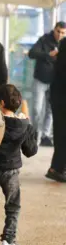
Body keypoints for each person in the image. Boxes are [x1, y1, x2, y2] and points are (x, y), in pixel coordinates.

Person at [0, 84, 38, 245]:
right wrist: (29, 126)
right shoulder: (24, 125)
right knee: (13, 205)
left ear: (0, 103)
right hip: (12, 170)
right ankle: (8, 240)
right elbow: (31, 151)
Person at [29, 21, 64, 147]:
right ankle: (35, 134)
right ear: (54, 30)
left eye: (63, 33)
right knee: (37, 109)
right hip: (40, 79)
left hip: (56, 81)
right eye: (58, 31)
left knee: (51, 110)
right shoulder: (44, 40)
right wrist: (48, 55)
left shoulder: (63, 44)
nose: (60, 35)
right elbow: (32, 53)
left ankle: (45, 135)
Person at [47, 40, 66, 182]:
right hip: (61, 100)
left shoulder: (60, 60)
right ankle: (57, 168)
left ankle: (57, 168)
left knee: (60, 134)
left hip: (57, 99)